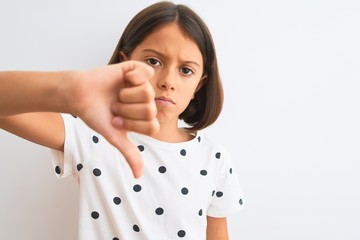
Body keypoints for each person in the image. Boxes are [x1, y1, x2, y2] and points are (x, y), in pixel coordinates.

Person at [0, 1, 244, 239]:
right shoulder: (90, 135)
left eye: (186, 70)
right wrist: (68, 90)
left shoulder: (214, 159)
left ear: (199, 85)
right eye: (153, 61)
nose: (168, 80)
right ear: (125, 63)